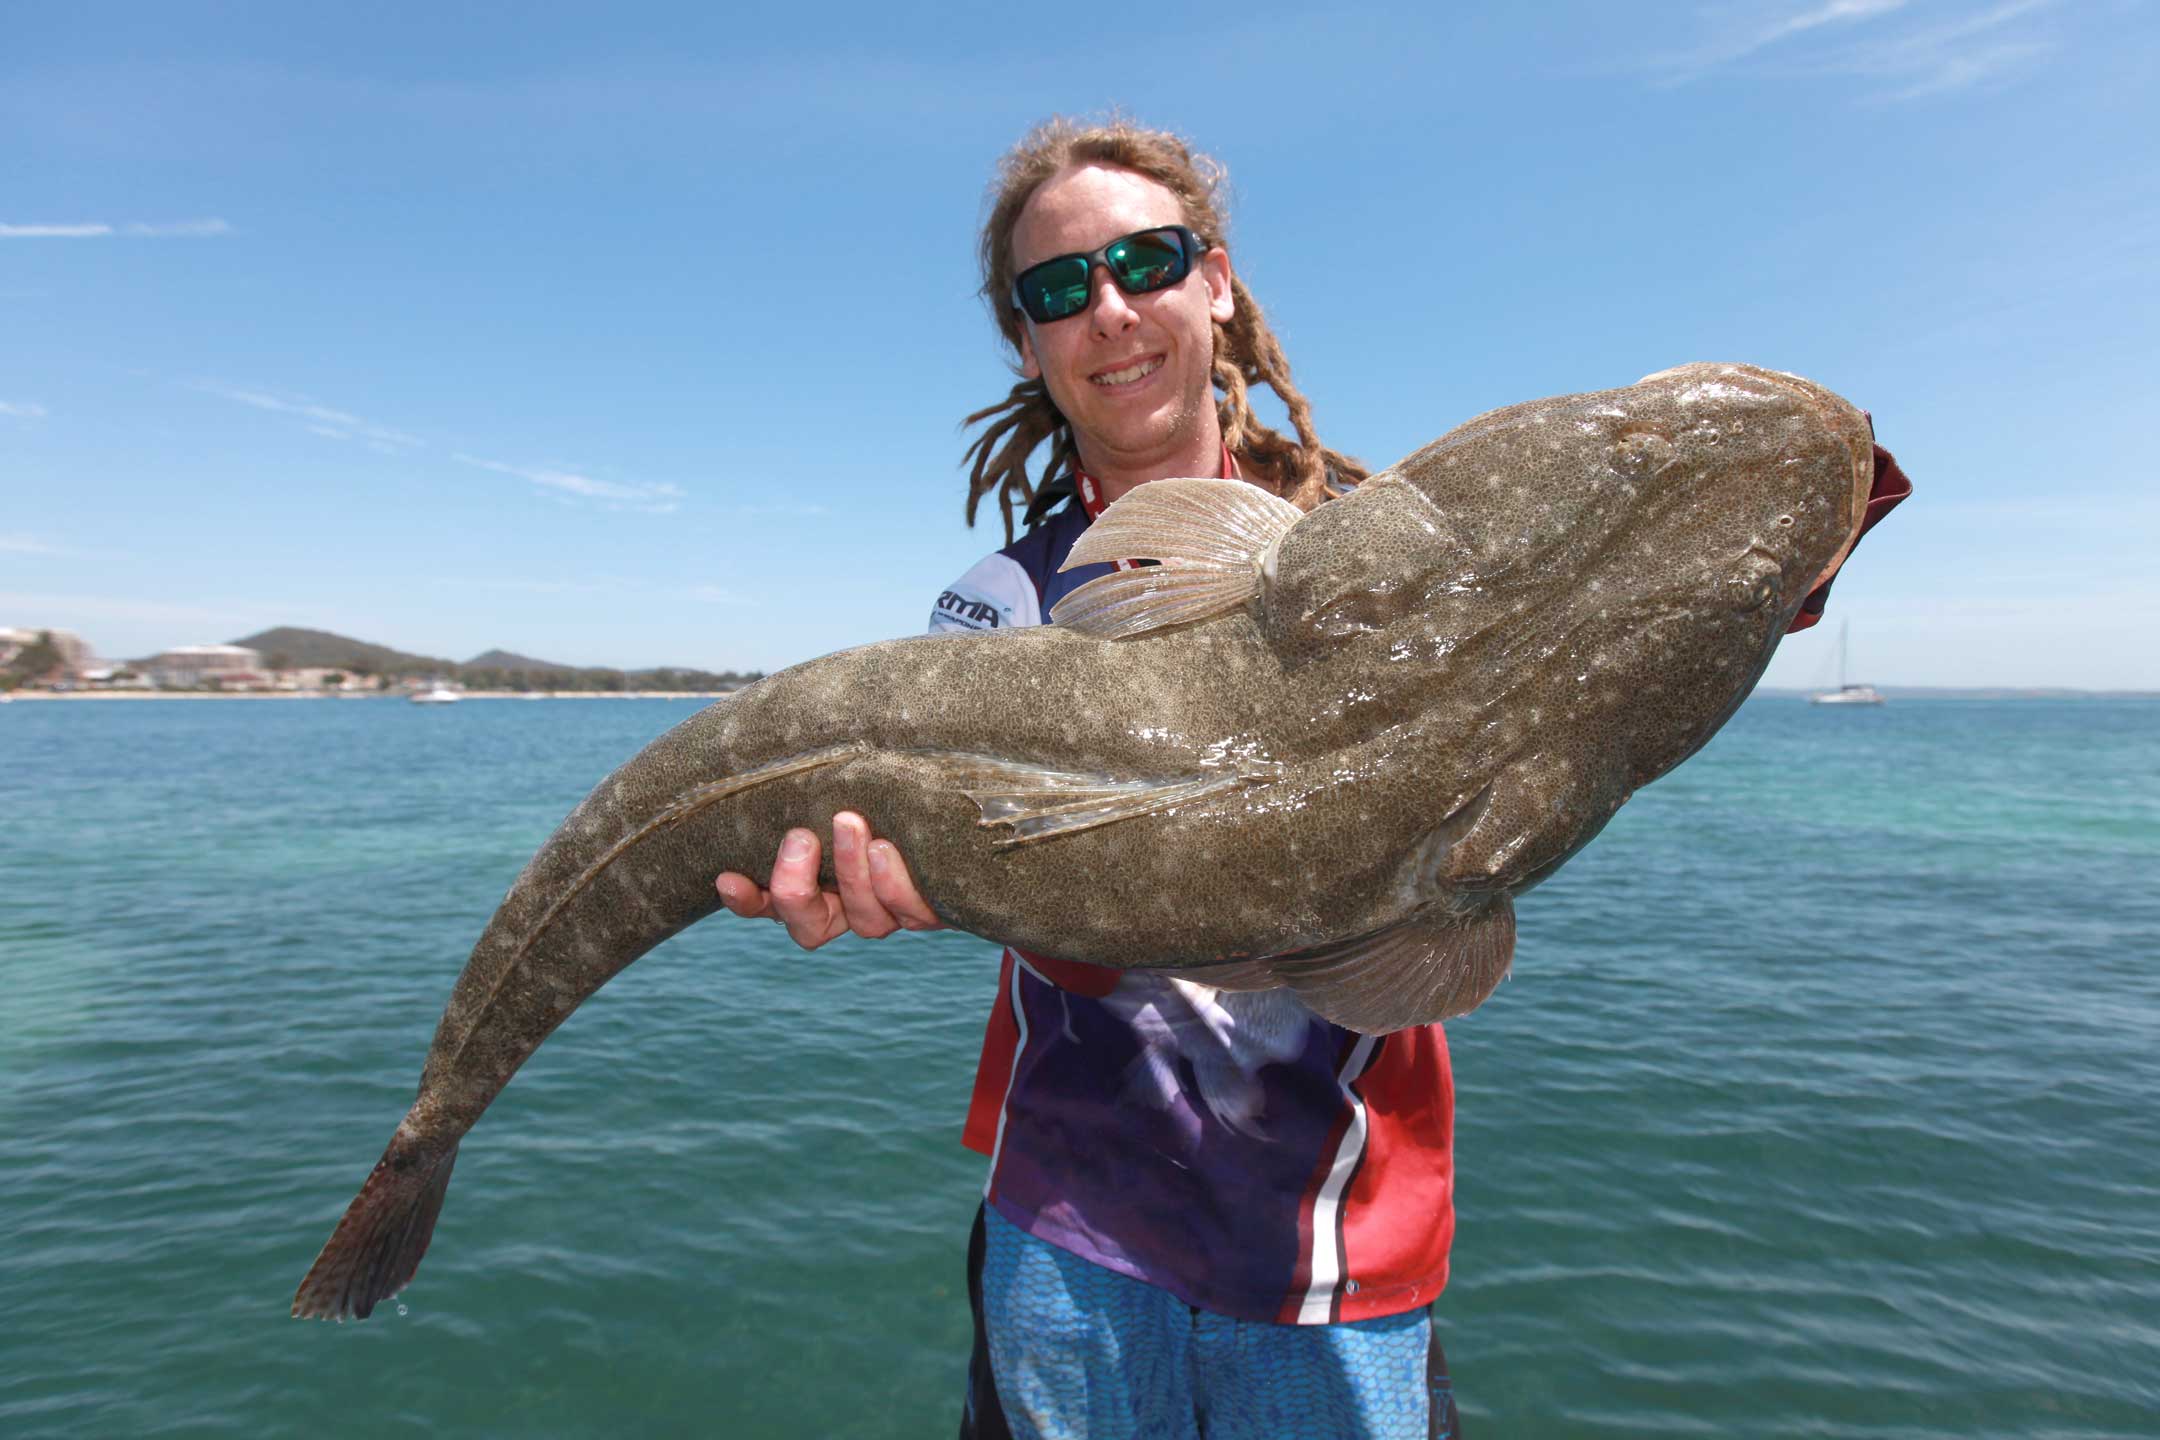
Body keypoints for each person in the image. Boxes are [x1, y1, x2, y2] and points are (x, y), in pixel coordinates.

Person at [716, 117, 1467, 1439]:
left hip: (1335, 1248)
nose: (1108, 311)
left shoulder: (1372, 550)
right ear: (1026, 340)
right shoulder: (993, 605)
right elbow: (986, 867)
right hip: (1071, 1233)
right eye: (1058, 289)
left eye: (1147, 263)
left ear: (1217, 284)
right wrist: (902, 883)